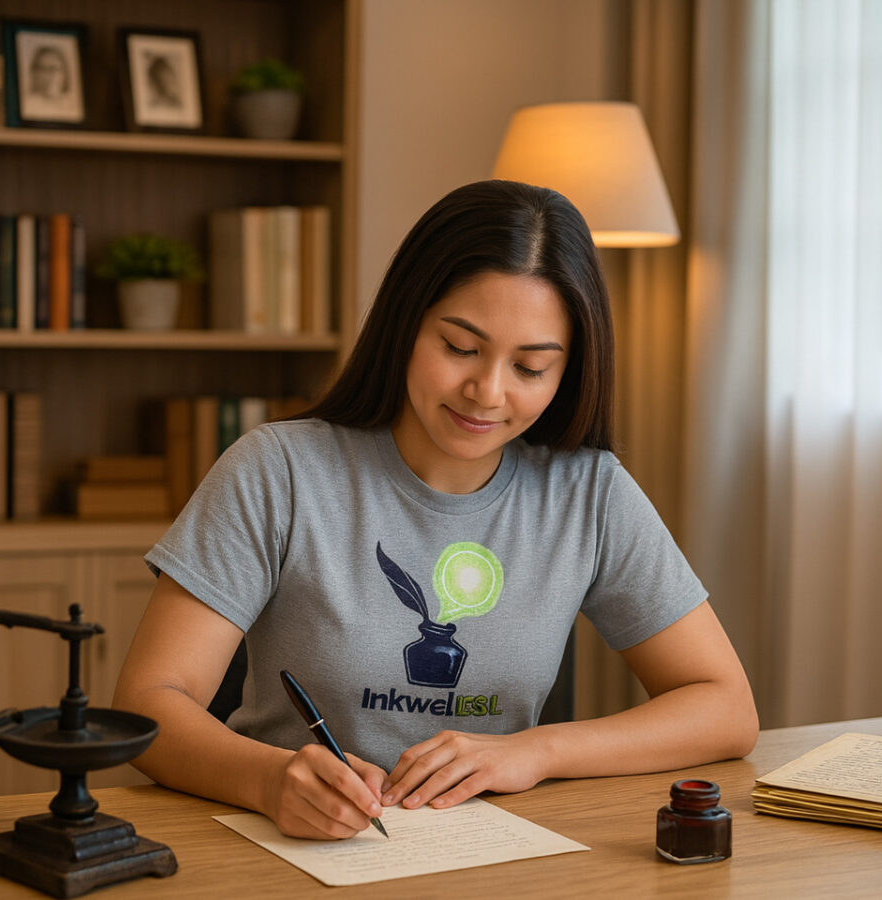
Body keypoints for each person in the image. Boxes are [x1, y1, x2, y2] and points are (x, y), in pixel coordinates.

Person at [113, 179, 758, 841]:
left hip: (489, 850)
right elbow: (147, 704)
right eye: (460, 348)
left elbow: (726, 709)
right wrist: (268, 780)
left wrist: (537, 751)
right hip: (295, 847)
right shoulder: (278, 470)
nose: (487, 392)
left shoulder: (587, 493)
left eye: (530, 367)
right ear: (406, 324)